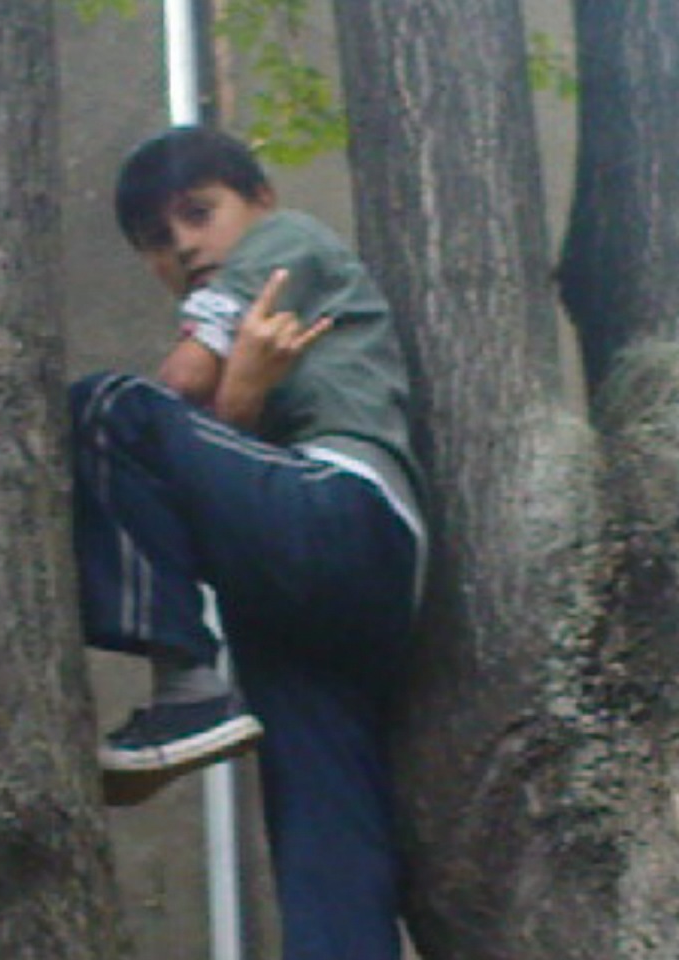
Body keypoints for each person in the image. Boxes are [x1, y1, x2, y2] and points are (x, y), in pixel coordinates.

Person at [69, 125, 425, 960]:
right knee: (325, 846)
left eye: (199, 213)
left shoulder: (284, 244)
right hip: (319, 599)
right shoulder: (257, 283)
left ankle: (189, 682)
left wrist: (225, 383)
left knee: (104, 408)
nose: (184, 246)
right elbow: (219, 435)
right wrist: (245, 394)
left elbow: (180, 383)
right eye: (157, 239)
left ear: (259, 199)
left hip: (340, 507)